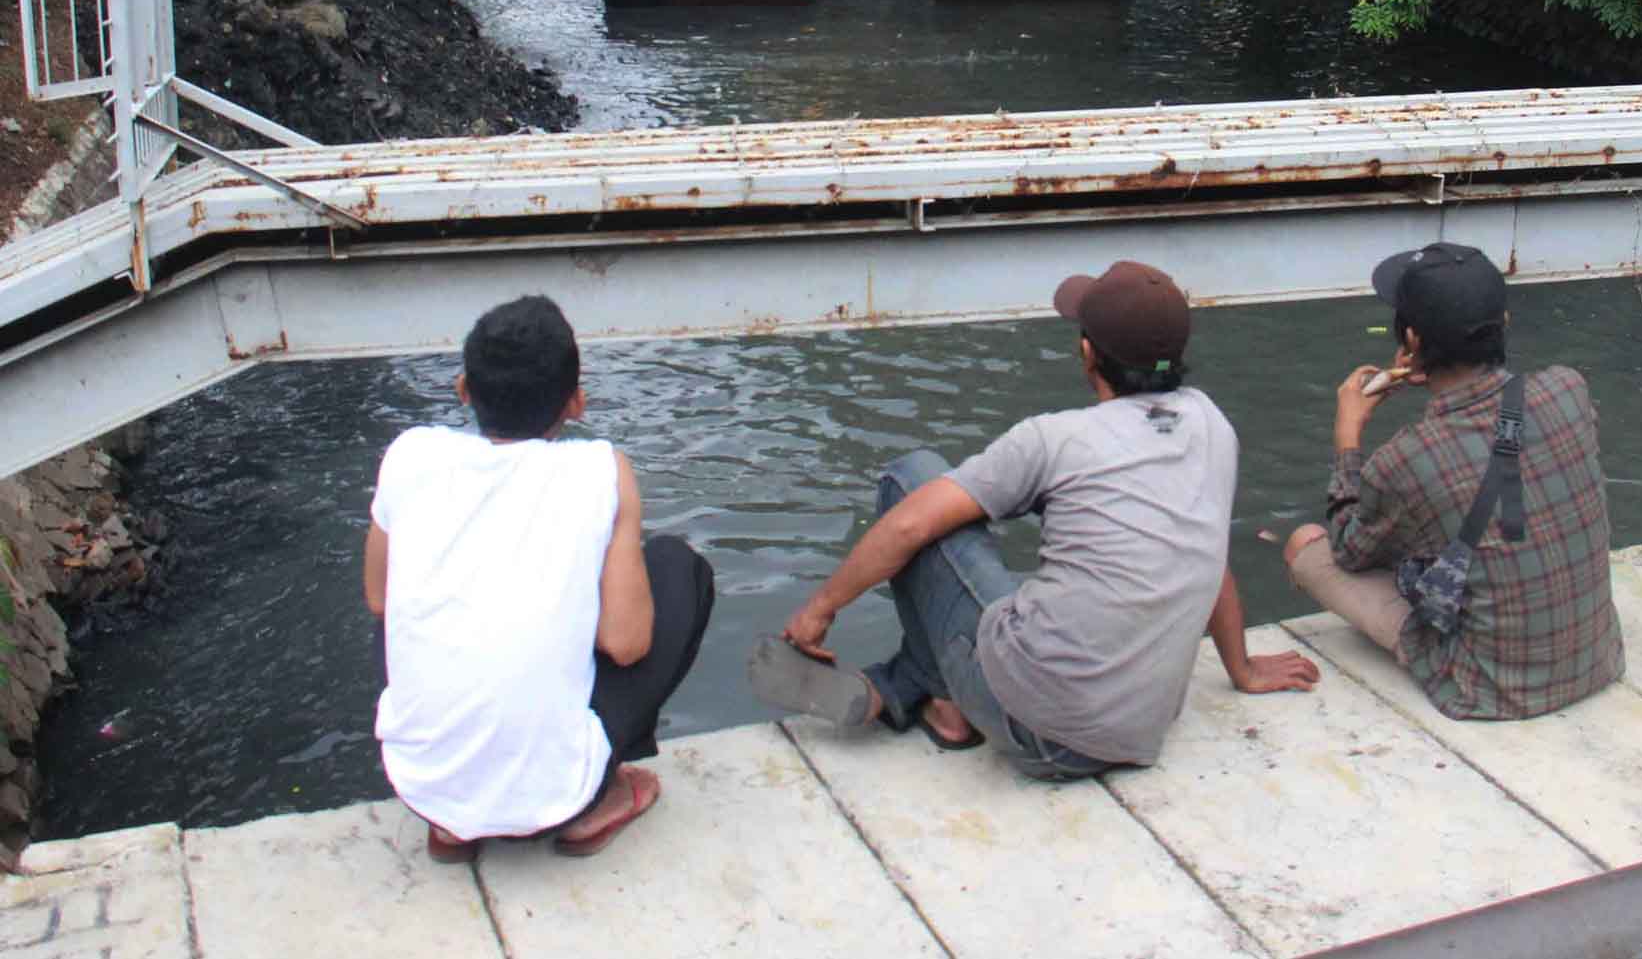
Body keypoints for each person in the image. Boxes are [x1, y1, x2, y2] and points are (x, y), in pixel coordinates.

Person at [749, 260, 1320, 779]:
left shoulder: (1055, 439)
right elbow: (1206, 553)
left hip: (1037, 730)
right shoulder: (1212, 425)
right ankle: (934, 701)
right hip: (1138, 731)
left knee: (914, 482)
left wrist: (818, 609)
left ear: (1088, 353)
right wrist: (1240, 667)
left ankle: (921, 689)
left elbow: (909, 528)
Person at [364, 295, 715, 861]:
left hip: (419, 786)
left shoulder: (410, 456)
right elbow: (626, 645)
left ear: (463, 389)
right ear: (576, 403)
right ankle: (598, 798)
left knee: (403, 609)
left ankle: (454, 825)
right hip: (558, 795)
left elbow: (379, 599)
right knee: (678, 569)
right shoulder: (599, 469)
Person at [1283, 243, 1624, 720]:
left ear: (1412, 341)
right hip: (1598, 659)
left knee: (1307, 547)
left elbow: (1348, 550)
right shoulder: (1569, 387)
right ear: (1501, 324)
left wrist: (1348, 438)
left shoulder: (1405, 457)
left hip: (1490, 689)